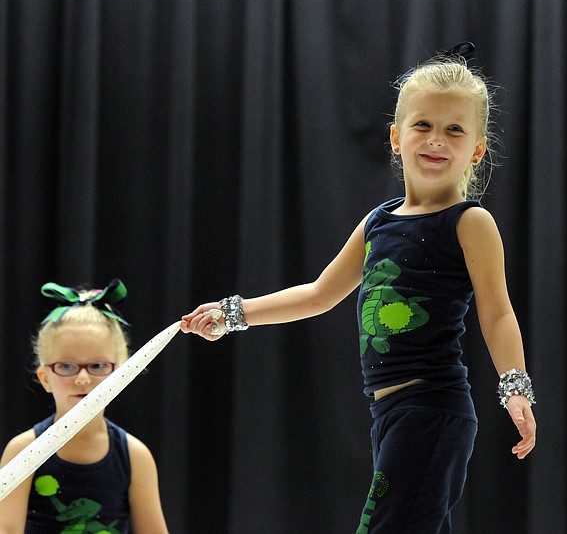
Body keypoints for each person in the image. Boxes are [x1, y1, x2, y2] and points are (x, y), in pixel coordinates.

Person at [181, 44, 537, 533]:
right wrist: (232, 312)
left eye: (455, 129)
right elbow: (318, 294)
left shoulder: (470, 222)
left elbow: (497, 313)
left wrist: (514, 387)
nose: (436, 139)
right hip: (391, 413)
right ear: (396, 136)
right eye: (423, 125)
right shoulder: (378, 221)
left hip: (432, 410)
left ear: (476, 149)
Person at [0, 279, 168, 534]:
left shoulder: (135, 456)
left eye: (97, 366)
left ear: (121, 375)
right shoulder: (22, 450)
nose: (82, 379)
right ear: (45, 378)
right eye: (67, 366)